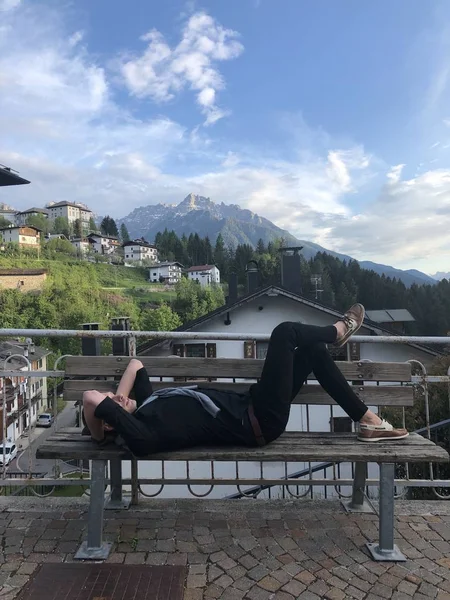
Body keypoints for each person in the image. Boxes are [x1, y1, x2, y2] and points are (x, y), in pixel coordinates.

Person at [82, 303, 408, 456]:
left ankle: (369, 422)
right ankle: (338, 331)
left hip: (255, 404)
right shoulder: (142, 435)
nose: (116, 396)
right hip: (259, 422)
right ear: (113, 422)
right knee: (284, 332)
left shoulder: (148, 403)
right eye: (113, 403)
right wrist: (102, 429)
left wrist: (121, 399)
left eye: (114, 395)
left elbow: (136, 364)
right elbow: (89, 399)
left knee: (310, 351)